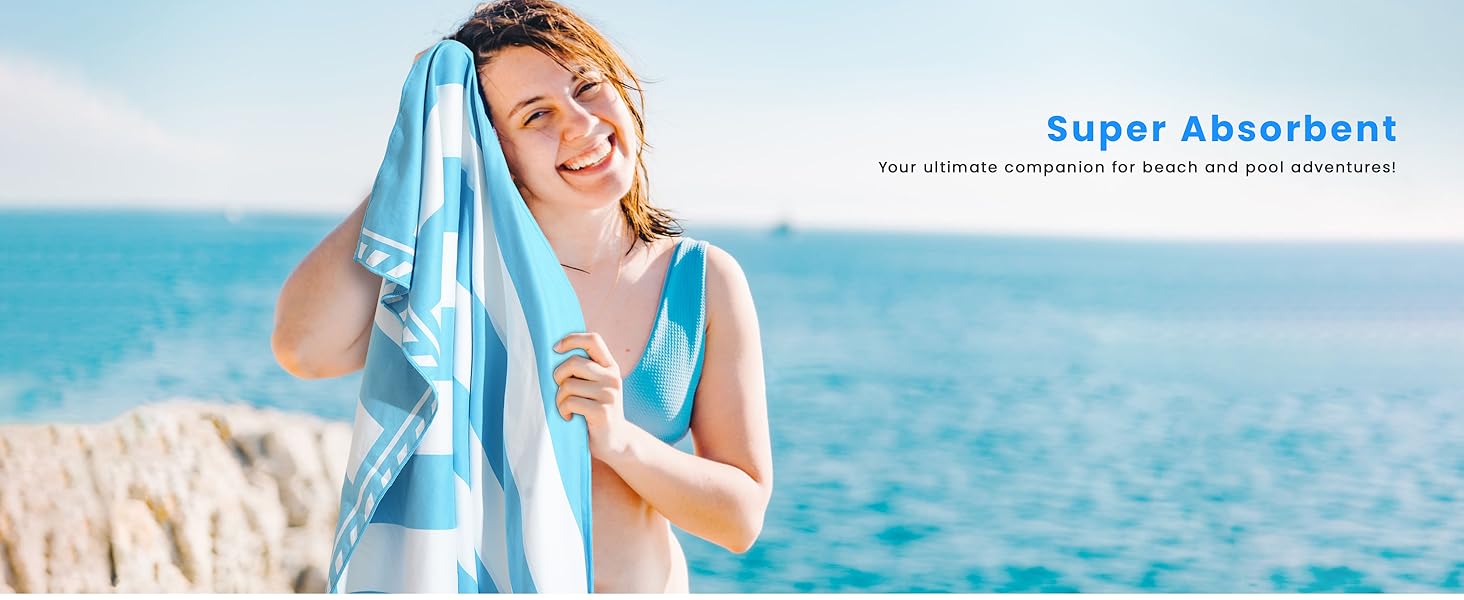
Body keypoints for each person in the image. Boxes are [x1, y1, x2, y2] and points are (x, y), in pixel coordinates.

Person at [269, 0, 772, 592]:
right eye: (537, 115)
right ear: (493, 149)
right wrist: (422, 143)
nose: (581, 125)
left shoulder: (703, 279)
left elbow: (740, 517)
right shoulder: (458, 281)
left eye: (588, 86)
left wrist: (619, 441)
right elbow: (304, 348)